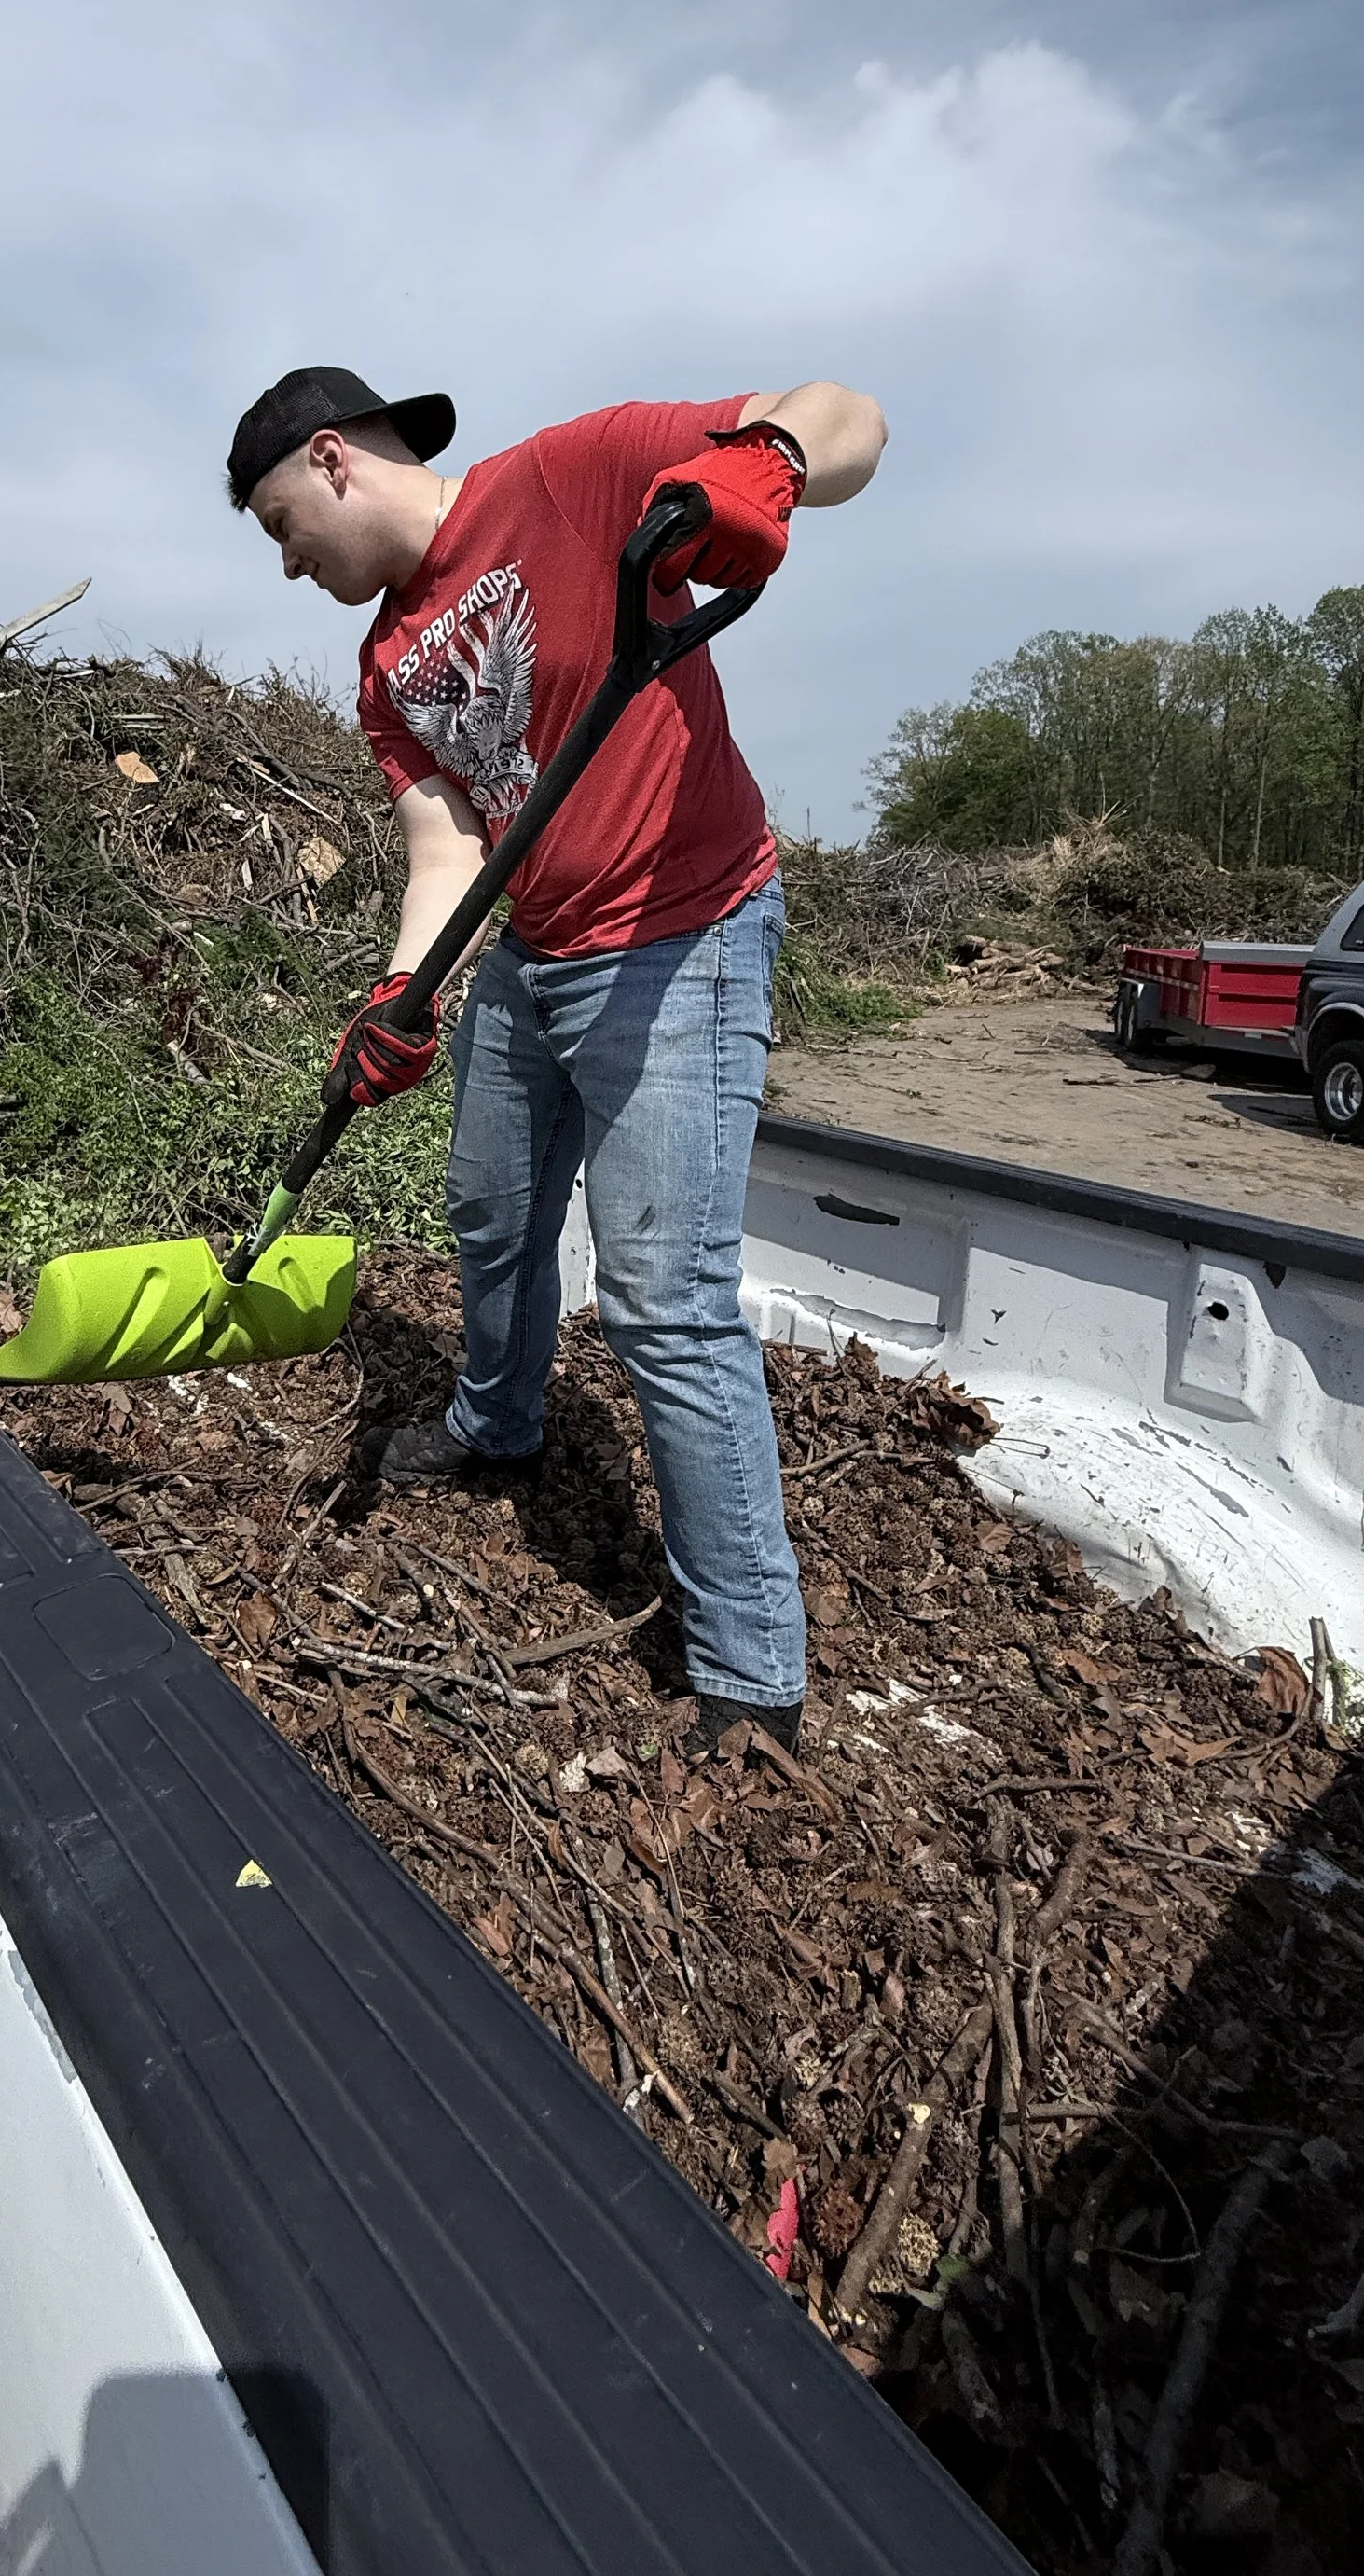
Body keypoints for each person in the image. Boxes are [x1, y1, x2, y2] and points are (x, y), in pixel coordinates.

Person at [224, 366, 887, 1754]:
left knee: (663, 1299)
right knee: (489, 1207)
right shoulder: (384, 669)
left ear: (334, 461)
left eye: (282, 526)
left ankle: (753, 1665)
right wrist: (403, 997)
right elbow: (448, 851)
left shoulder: (576, 475)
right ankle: (497, 1422)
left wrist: (760, 472)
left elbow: (845, 415)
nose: (288, 566)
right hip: (536, 947)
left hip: (685, 929)